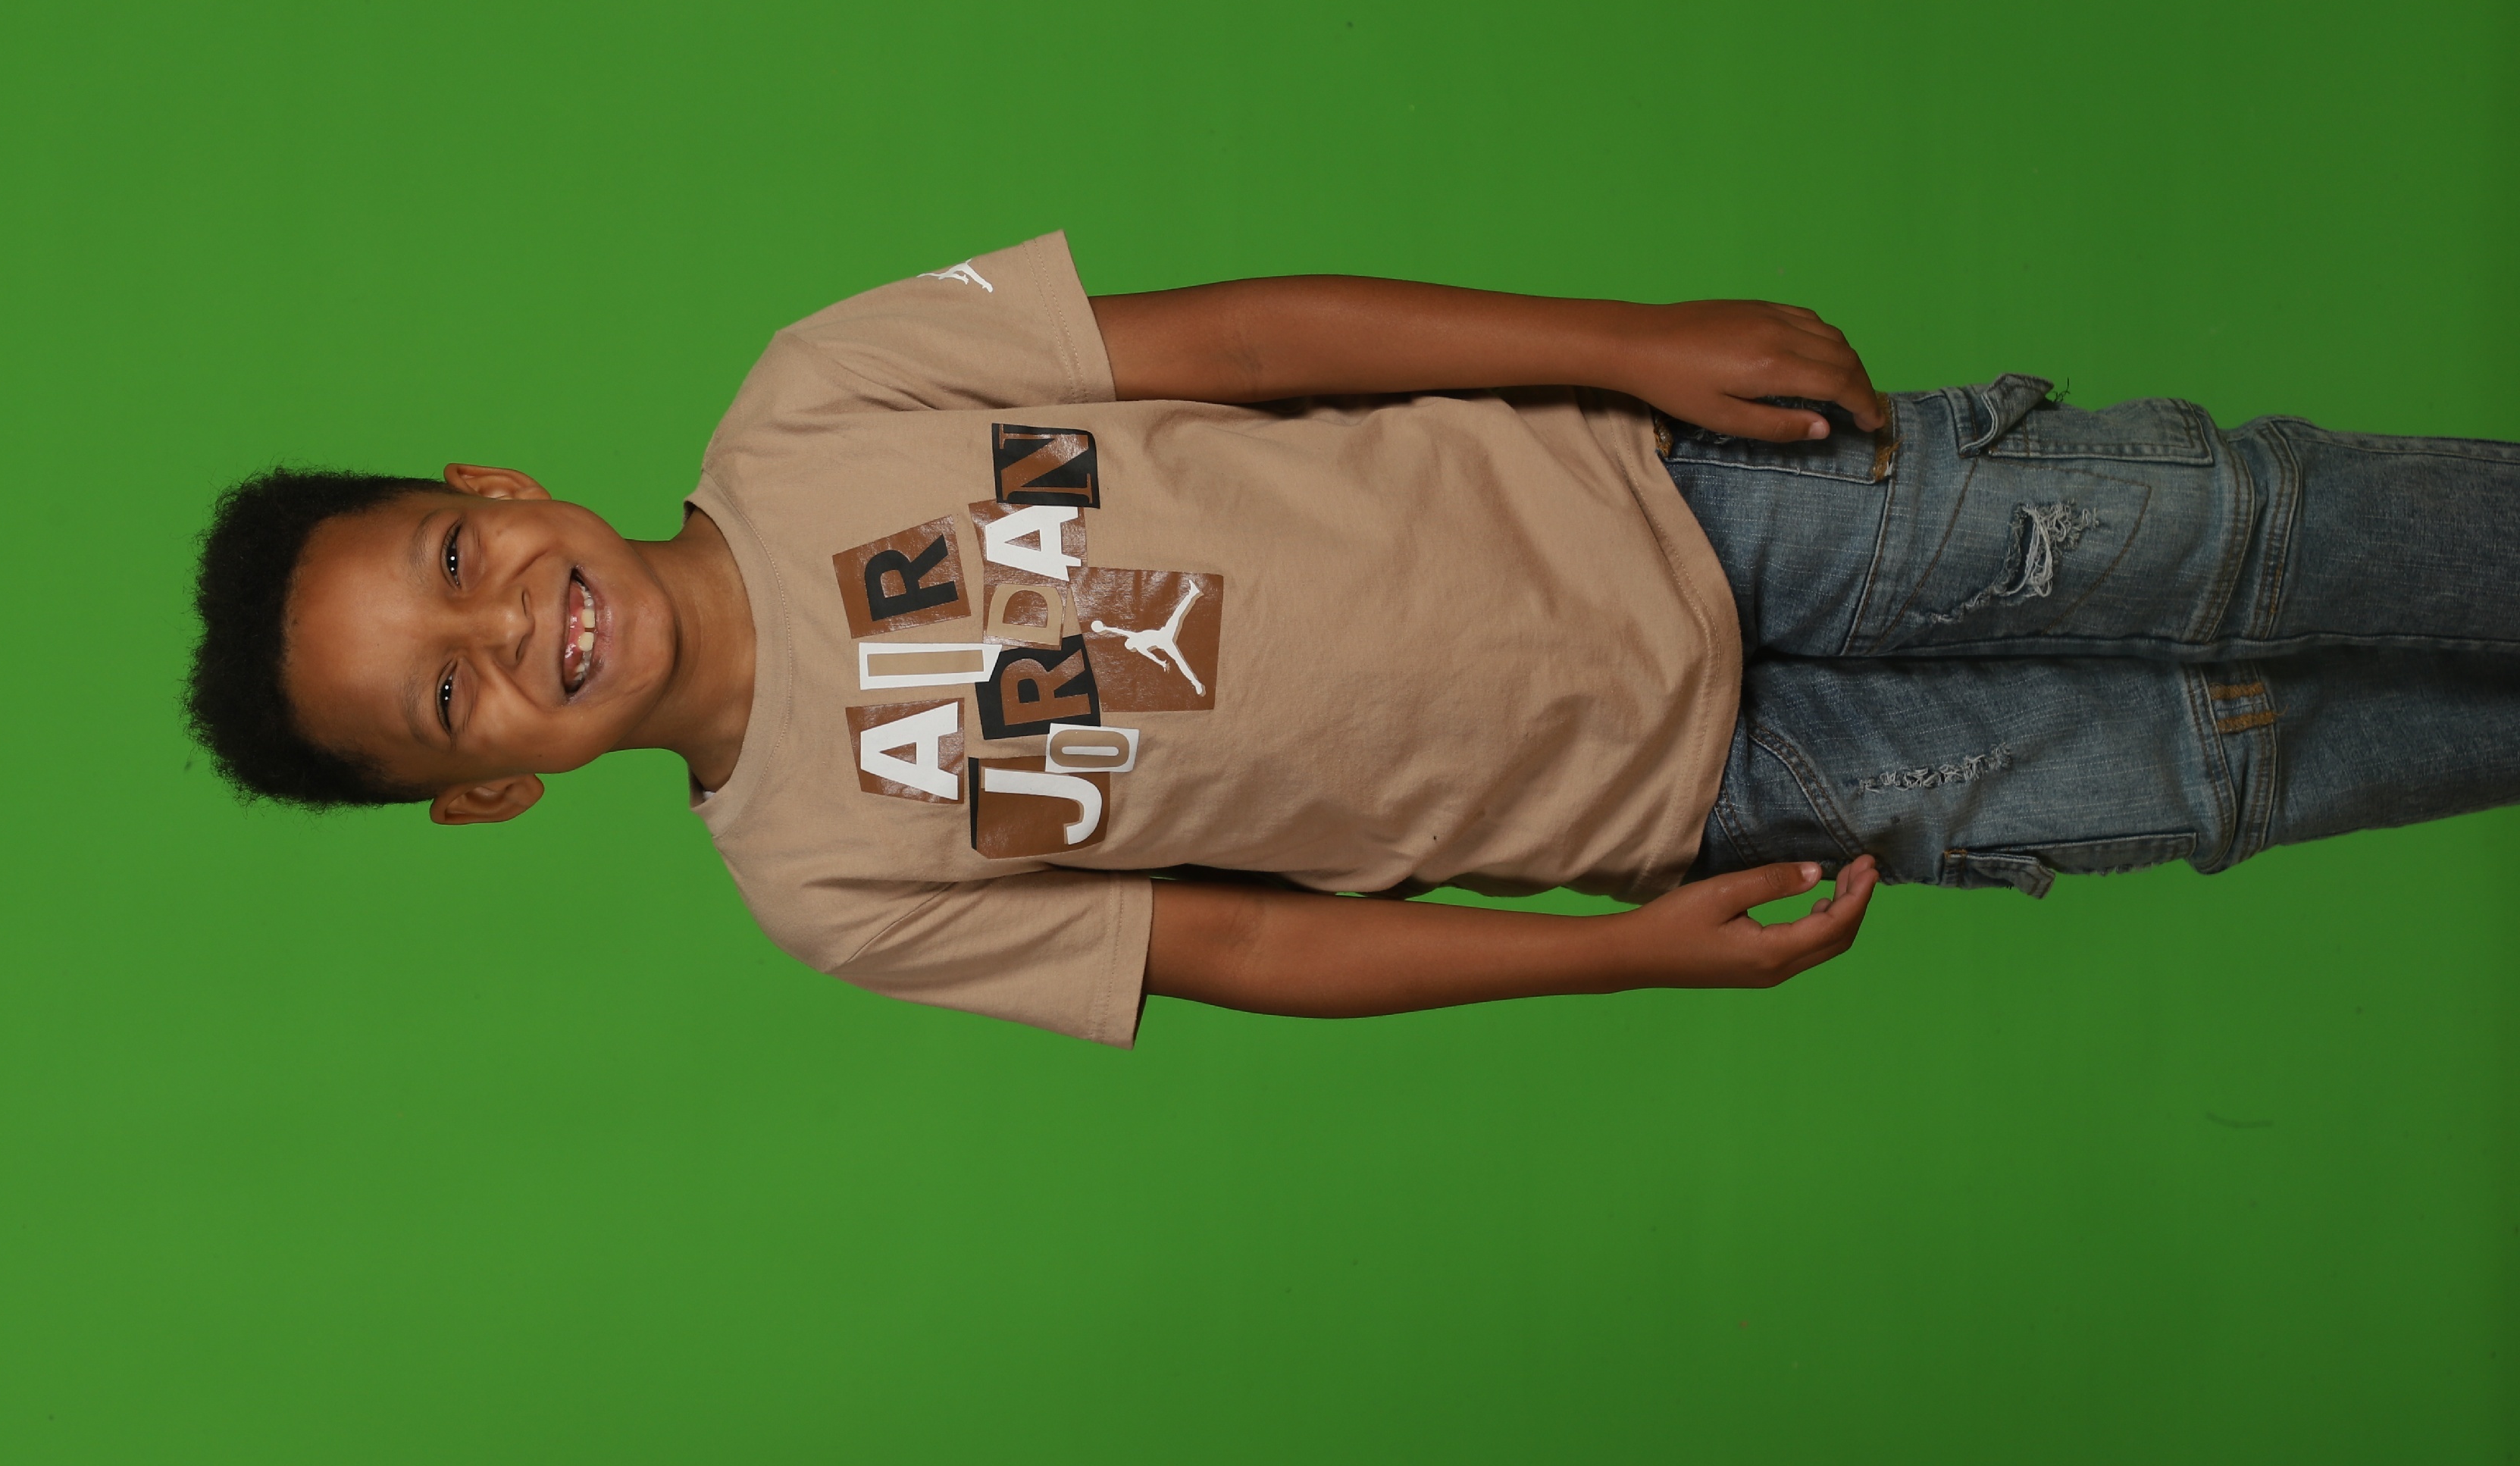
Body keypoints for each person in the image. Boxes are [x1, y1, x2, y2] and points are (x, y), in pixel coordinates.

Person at [183, 233, 2520, 1045]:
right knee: (2210, 765)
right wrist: (1606, 960)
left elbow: (1255, 342)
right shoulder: (820, 881)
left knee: (2226, 535)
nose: (512, 626)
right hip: (1693, 802)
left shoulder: (816, 401)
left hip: (1693, 507)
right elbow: (1237, 945)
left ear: (496, 484)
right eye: (449, 694)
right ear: (486, 789)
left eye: (458, 559)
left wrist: (1617, 342)